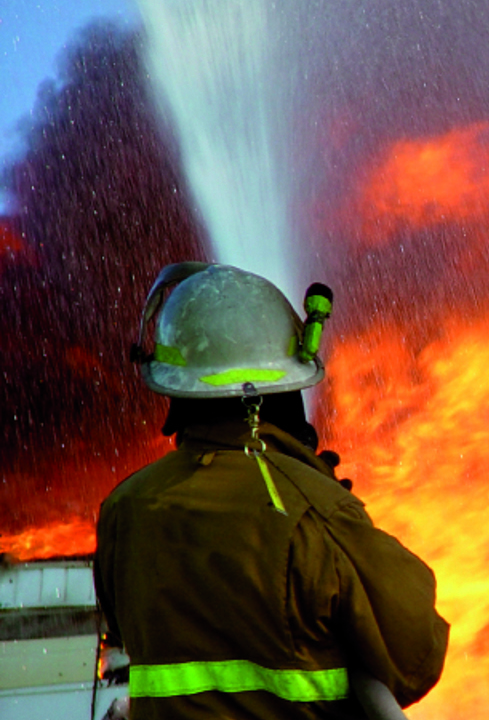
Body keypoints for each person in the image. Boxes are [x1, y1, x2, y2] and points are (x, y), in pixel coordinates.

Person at [94, 262, 449, 720]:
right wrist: (312, 487)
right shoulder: (314, 513)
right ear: (287, 387)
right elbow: (416, 655)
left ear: (176, 388)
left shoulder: (125, 510)